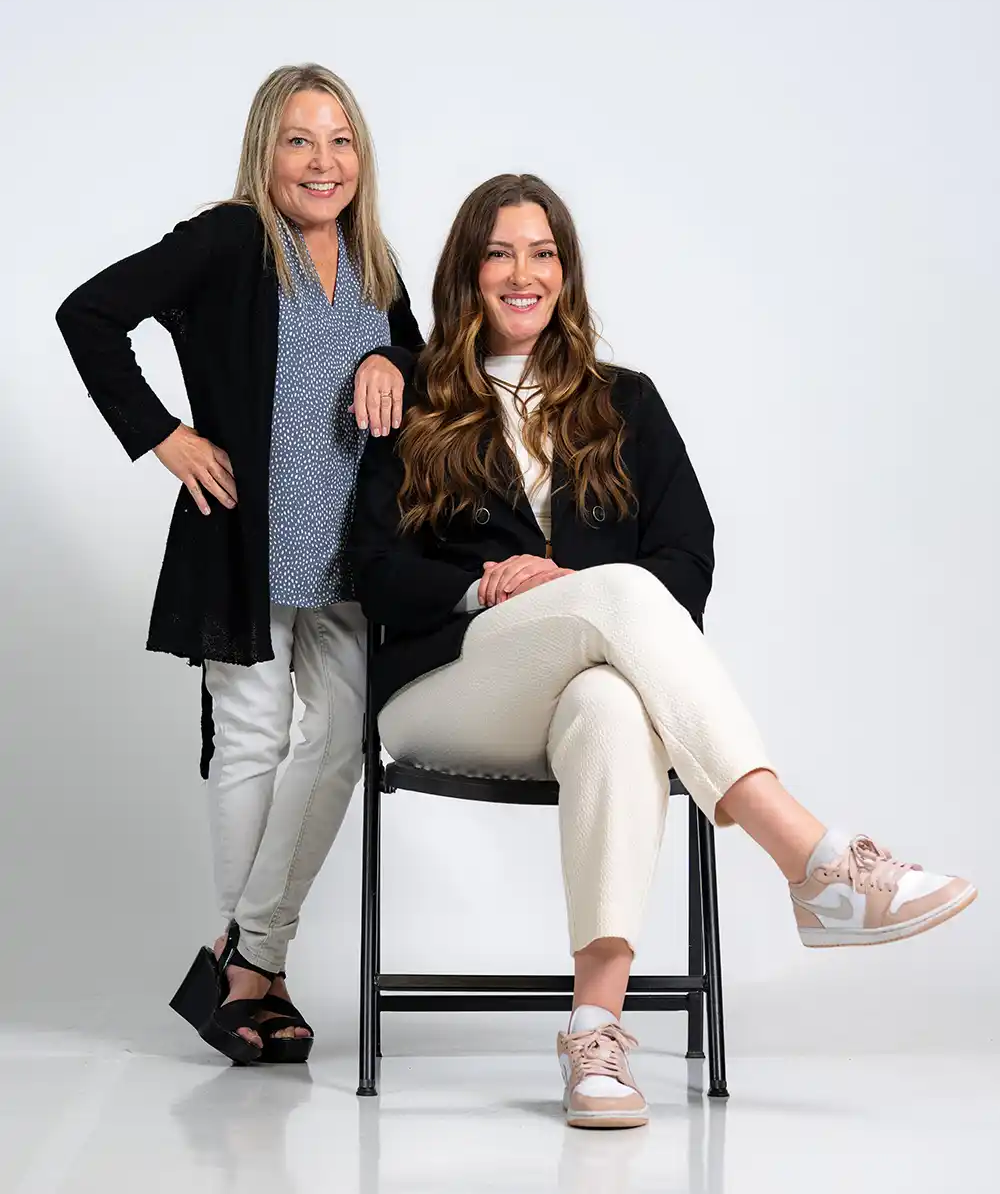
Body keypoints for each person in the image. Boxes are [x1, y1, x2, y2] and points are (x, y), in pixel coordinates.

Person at [349, 173, 976, 1130]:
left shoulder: (625, 402)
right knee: (618, 592)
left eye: (544, 253)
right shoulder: (417, 397)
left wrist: (582, 596)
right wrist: (486, 586)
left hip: (580, 694)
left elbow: (688, 556)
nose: (523, 274)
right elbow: (375, 571)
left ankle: (595, 1035)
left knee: (610, 699)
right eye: (499, 254)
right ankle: (813, 861)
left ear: (567, 272)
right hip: (448, 684)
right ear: (466, 273)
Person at [56, 63, 423, 1066]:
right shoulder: (227, 241)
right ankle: (262, 971)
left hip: (351, 555)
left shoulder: (375, 260)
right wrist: (163, 435)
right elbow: (89, 313)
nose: (323, 161)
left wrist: (391, 358)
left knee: (339, 741)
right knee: (253, 743)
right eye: (300, 139)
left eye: (341, 140)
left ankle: (245, 954)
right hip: (246, 543)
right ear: (267, 149)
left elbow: (422, 373)